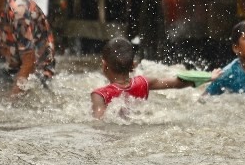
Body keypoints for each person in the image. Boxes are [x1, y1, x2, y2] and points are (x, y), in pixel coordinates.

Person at [91, 36, 220, 119]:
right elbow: (177, 83)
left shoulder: (100, 95)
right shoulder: (143, 82)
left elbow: (98, 122)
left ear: (104, 65)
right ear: (133, 65)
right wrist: (208, 76)